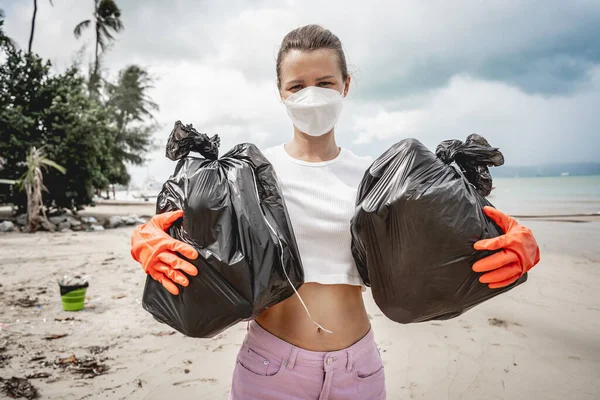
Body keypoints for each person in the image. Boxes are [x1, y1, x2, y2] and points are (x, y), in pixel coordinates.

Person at [131, 25, 540, 400]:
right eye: (297, 85)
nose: (311, 95)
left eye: (325, 82)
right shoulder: (249, 177)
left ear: (346, 86)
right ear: (280, 92)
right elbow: (187, 232)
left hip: (358, 372)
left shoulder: (380, 179)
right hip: (270, 370)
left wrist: (520, 242)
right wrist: (143, 239)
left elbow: (461, 230)